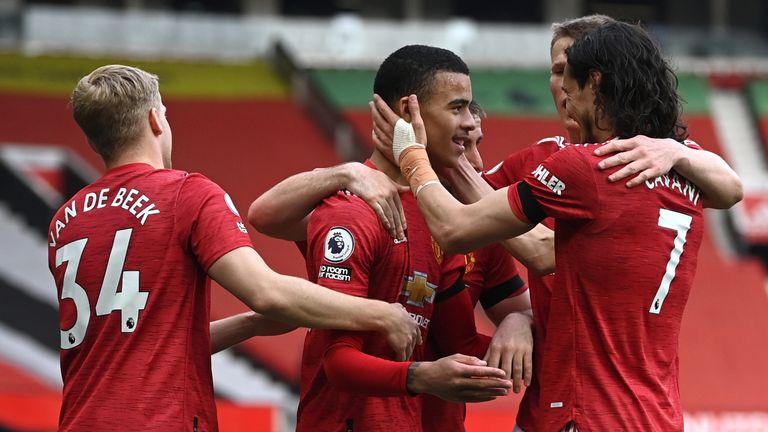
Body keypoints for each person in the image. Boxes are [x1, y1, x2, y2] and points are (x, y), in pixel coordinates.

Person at [47, 64, 485, 431]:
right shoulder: (186, 194)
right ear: (157, 120)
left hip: (80, 418)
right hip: (162, 420)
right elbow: (267, 290)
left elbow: (132, 344)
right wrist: (382, 313)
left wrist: (251, 325)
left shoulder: (67, 219)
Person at [373, 21, 742, 431]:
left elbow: (456, 228)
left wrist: (410, 152)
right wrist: (522, 317)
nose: (563, 91)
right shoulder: (679, 168)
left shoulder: (585, 166)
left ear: (595, 81)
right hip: (655, 414)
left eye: (570, 76)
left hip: (584, 412)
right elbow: (731, 190)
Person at [250, 100, 534, 432]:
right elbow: (264, 215)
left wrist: (519, 322)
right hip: (349, 415)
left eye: (477, 144)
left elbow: (498, 327)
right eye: (462, 144)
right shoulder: (369, 209)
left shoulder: (482, 236)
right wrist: (347, 171)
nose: (475, 162)